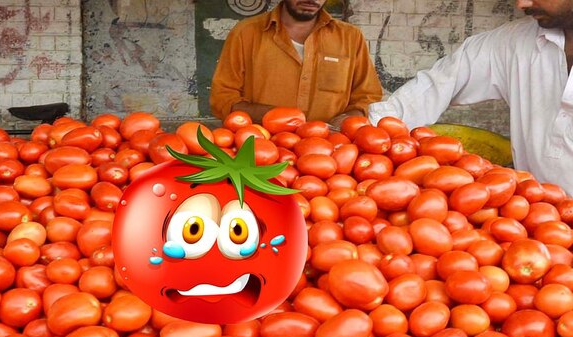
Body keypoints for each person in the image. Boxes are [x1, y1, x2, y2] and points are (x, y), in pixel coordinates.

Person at [368, 0, 573, 193]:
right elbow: (438, 83)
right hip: (534, 218)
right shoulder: (515, 42)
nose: (521, 3)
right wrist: (370, 132)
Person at [210, 0, 383, 130]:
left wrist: (350, 118)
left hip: (331, 155)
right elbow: (223, 97)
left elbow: (367, 96)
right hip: (260, 149)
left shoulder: (350, 37)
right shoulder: (246, 33)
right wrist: (277, 117)